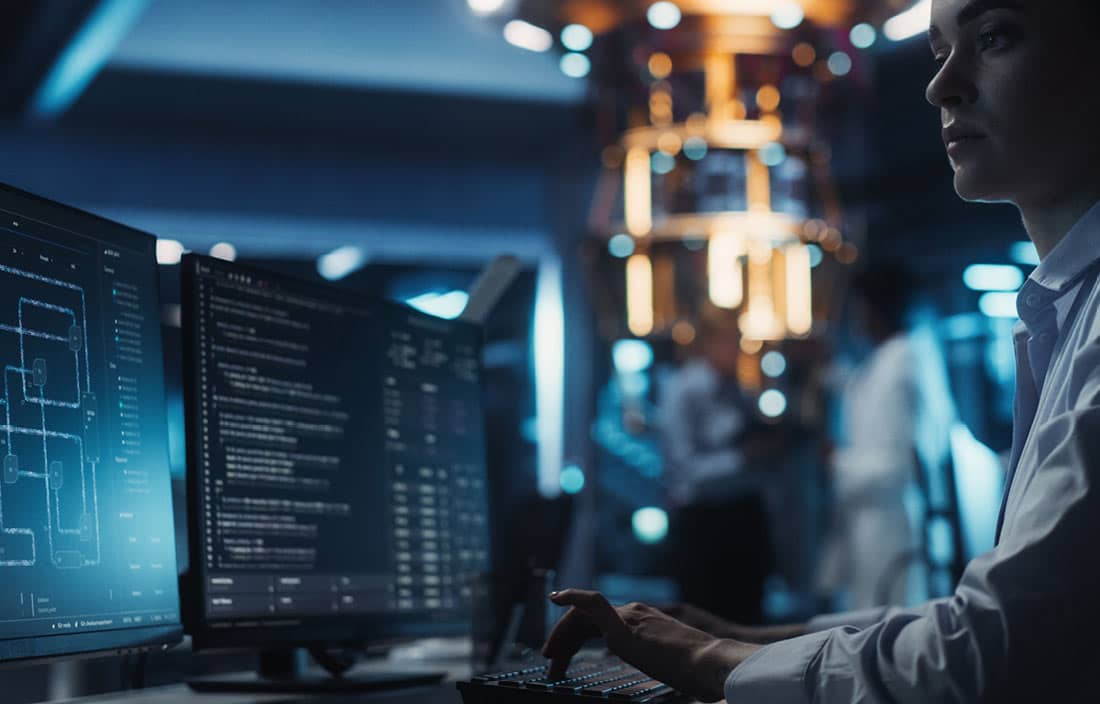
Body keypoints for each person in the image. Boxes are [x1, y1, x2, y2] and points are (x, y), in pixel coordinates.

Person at [542, 0, 1100, 700]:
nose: (940, 86)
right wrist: (745, 642)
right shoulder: (1061, 312)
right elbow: (1004, 620)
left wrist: (716, 659)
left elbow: (999, 653)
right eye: (937, 52)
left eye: (994, 36)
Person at [816, 266, 924, 610]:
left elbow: (894, 468)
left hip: (887, 527)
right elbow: (857, 389)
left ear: (871, 309)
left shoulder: (901, 363)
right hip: (868, 525)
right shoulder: (884, 361)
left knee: (887, 629)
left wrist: (837, 461)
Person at [660, 310, 776, 625]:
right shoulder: (684, 390)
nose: (739, 350)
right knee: (702, 624)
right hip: (704, 525)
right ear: (708, 342)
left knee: (748, 623)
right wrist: (744, 458)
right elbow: (683, 469)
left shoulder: (738, 388)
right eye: (731, 341)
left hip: (744, 517)